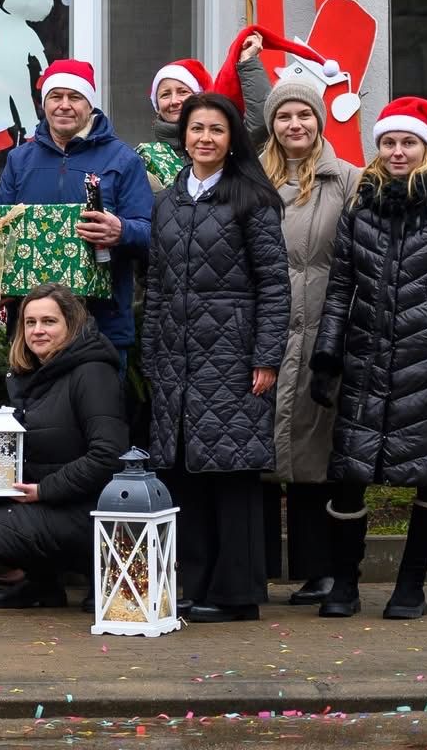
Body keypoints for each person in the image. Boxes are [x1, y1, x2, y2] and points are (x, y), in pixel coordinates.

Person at [310, 97, 427, 620]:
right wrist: (327, 356)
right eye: (388, 142)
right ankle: (345, 584)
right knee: (351, 474)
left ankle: (411, 587)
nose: (397, 151)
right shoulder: (360, 207)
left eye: (408, 142)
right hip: (365, 360)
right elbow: (340, 287)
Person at [144, 91, 289, 623]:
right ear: (184, 135)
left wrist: (267, 355)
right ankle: (195, 584)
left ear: (232, 141)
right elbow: (155, 284)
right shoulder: (168, 201)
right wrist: (154, 355)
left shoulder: (252, 197)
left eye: (216, 130)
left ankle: (237, 594)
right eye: (196, 128)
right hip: (178, 358)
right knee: (187, 473)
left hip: (234, 354)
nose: (205, 138)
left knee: (234, 473)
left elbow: (275, 284)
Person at [257, 76, 360, 606]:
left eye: (304, 115)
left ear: (319, 121)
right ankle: (262, 569)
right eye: (283, 116)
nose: (294, 125)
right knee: (267, 446)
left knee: (315, 448)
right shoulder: (254, 178)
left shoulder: (346, 179)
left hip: (325, 325)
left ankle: (320, 569)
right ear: (271, 125)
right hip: (267, 328)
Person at [0, 285, 130, 608]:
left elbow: (108, 455)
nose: (37, 331)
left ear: (70, 325)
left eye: (48, 321)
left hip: (91, 507)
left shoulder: (92, 372)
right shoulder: (30, 371)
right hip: (53, 493)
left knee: (3, 529)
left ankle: (99, 572)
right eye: (30, 323)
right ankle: (42, 584)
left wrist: (43, 490)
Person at [0, 60, 154, 362]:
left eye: (74, 97)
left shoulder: (123, 160)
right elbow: (0, 235)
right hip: (33, 332)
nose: (64, 105)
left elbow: (153, 233)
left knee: (96, 409)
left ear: (89, 104)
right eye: (56, 96)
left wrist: (122, 231)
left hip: (101, 325)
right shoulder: (19, 160)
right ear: (44, 104)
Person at [138, 28, 273, 191]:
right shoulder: (146, 158)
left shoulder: (223, 145)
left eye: (183, 92)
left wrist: (248, 62)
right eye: (165, 95)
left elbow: (260, 124)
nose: (174, 101)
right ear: (157, 106)